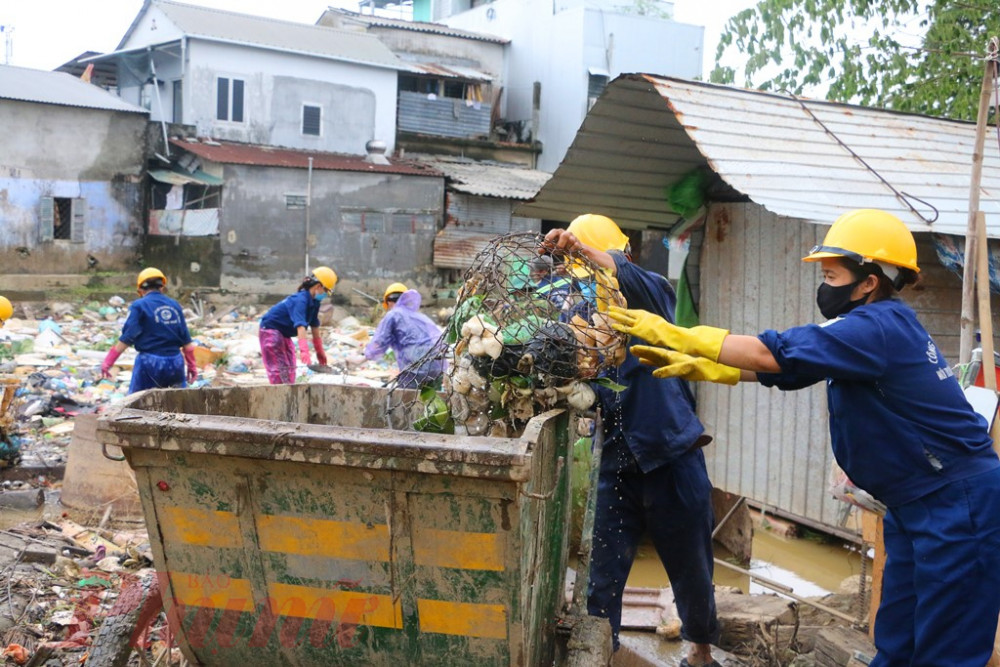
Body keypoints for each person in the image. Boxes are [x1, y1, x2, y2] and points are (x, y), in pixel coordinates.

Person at [609, 208, 1000, 666]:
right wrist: (715, 370)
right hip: (917, 505)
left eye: (832, 274)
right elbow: (789, 367)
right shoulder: (870, 328)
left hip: (957, 505)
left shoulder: (877, 328)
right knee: (899, 639)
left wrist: (680, 336)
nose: (825, 286)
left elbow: (769, 351)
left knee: (946, 651)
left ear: (869, 280)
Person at [543, 213, 720, 666]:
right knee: (602, 574)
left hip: (672, 454)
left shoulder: (651, 292)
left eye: (591, 264)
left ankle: (700, 651)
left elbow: (630, 278)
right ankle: (606, 652)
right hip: (617, 461)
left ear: (621, 256)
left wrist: (589, 255)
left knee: (692, 567)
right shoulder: (580, 316)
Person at [101, 268, 198, 394]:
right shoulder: (174, 305)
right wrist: (192, 366)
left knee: (138, 403)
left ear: (140, 290)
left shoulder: (139, 305)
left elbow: (127, 338)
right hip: (175, 362)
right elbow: (188, 345)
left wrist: (107, 363)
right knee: (176, 404)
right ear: (162, 287)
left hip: (150, 363)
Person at [258, 266, 337, 385]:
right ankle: (280, 396)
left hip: (284, 333)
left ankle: (290, 397)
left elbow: (314, 326)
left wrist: (319, 351)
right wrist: (304, 351)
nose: (325, 294)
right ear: (318, 286)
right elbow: (301, 326)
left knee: (290, 368)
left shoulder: (314, 302)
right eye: (326, 291)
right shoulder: (301, 300)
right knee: (279, 369)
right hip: (270, 330)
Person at [363, 285, 445, 389]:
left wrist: (360, 359)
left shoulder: (393, 315)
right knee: (432, 401)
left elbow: (379, 343)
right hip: (437, 368)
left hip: (415, 371)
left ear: (388, 302)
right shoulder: (419, 317)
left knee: (408, 400)